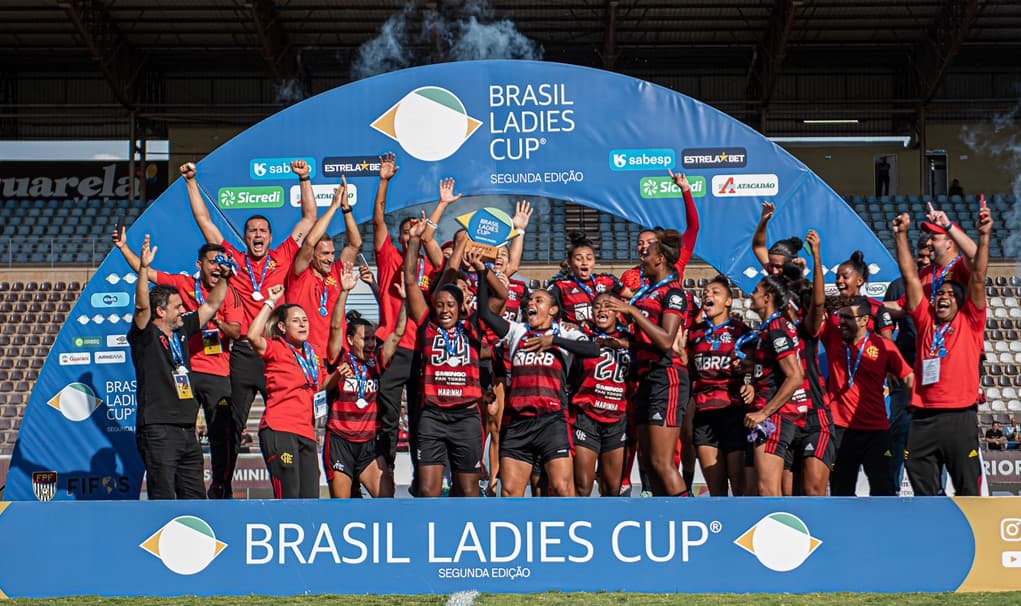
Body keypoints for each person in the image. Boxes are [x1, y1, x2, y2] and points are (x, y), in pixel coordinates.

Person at [184, 160, 317, 498]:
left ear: (270, 237)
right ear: (245, 237)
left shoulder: (283, 255)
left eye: (262, 231)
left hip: (275, 351)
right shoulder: (232, 259)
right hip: (244, 352)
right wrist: (191, 183)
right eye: (252, 231)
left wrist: (304, 178)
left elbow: (308, 219)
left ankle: (289, 488)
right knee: (231, 423)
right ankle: (222, 486)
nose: (257, 235)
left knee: (288, 420)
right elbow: (204, 221)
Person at [113, 227, 244, 498]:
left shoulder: (183, 329)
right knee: (163, 497)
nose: (183, 310)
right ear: (161, 311)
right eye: (177, 307)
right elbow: (142, 307)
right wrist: (143, 269)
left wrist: (225, 278)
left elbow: (211, 305)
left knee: (195, 499)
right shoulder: (146, 335)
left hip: (187, 431)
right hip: (158, 430)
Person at [892, 202, 991, 496]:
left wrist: (984, 235)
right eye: (940, 294)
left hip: (960, 415)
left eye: (950, 293)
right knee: (924, 495)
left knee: (968, 492)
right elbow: (909, 278)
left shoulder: (970, 320)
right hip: (923, 416)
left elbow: (978, 273)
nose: (943, 297)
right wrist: (900, 235)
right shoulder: (925, 319)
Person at [476, 267, 600, 497]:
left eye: (538, 300)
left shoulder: (564, 333)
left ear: (552, 310)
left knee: (563, 488)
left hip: (551, 421)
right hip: (518, 421)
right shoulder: (517, 330)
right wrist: (482, 272)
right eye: (530, 300)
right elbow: (484, 313)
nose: (530, 303)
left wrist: (553, 341)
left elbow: (593, 349)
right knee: (510, 492)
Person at [405, 221, 496, 497]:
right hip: (433, 416)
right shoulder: (427, 325)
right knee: (428, 490)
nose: (445, 310)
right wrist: (414, 242)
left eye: (450, 305)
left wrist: (481, 270)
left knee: (468, 491)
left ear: (461, 307)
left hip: (466, 417)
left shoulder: (473, 326)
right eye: (440, 305)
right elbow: (410, 280)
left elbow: (497, 299)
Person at [372, 157, 447, 473]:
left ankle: (423, 476)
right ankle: (384, 472)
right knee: (387, 416)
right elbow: (378, 221)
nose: (410, 235)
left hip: (423, 350)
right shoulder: (389, 258)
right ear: (399, 238)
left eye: (414, 231)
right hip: (393, 348)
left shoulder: (431, 267)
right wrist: (384, 181)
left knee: (421, 417)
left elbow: (444, 262)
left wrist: (434, 216)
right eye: (405, 232)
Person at [603, 229, 690, 497]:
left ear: (660, 258)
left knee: (663, 463)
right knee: (649, 464)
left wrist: (631, 310)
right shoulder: (646, 292)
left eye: (648, 252)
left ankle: (686, 515)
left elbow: (665, 340)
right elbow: (644, 339)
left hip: (666, 376)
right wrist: (620, 343)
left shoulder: (673, 292)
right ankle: (665, 517)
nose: (643, 256)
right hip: (644, 378)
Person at [822, 296, 913, 496]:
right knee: (841, 490)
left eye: (848, 318)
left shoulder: (883, 346)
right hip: (842, 428)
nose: (842, 322)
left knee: (884, 490)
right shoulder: (833, 337)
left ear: (864, 320)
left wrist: (916, 408)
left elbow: (908, 376)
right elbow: (815, 307)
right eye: (840, 316)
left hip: (876, 430)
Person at [322, 267, 400, 499]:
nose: (371, 343)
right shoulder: (339, 357)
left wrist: (404, 302)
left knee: (386, 501)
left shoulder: (377, 361)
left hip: (368, 445)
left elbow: (396, 334)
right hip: (340, 441)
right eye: (365, 339)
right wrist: (344, 292)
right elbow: (335, 327)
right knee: (343, 507)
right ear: (349, 339)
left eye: (373, 338)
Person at [246, 284, 327, 499]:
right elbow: (252, 336)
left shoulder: (314, 353)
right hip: (280, 429)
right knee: (289, 493)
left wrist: (340, 374)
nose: (302, 324)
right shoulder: (276, 347)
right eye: (296, 320)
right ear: (282, 327)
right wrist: (270, 302)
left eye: (305, 320)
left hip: (306, 433)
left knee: (310, 497)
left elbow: (322, 385)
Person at [741, 275, 810, 497]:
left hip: (774, 418)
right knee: (758, 490)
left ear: (767, 297)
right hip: (771, 416)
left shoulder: (776, 328)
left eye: (756, 291)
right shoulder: (769, 328)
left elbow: (795, 376)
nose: (751, 294)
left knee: (767, 490)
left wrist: (764, 413)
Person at [285, 176, 362, 357]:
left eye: (332, 253)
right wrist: (333, 206)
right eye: (325, 254)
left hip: (336, 355)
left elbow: (355, 244)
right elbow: (310, 242)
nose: (330, 259)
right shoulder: (299, 274)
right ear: (312, 255)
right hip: (306, 356)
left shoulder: (336, 273)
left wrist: (345, 208)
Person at [687, 275, 748, 496]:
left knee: (739, 488)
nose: (708, 295)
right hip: (704, 413)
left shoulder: (741, 332)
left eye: (715, 292)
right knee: (716, 490)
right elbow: (689, 370)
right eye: (705, 293)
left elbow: (754, 366)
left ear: (729, 301)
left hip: (733, 412)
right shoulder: (694, 333)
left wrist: (748, 380)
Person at [570, 292, 633, 497]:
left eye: (607, 306)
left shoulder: (629, 339)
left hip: (617, 418)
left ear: (617, 312)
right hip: (586, 417)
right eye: (597, 306)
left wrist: (622, 344)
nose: (601, 310)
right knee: (583, 486)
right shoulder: (582, 337)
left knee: (612, 488)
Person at [883, 234, 931, 492]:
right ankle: (891, 492)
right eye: (920, 256)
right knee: (899, 433)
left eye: (928, 256)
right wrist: (892, 363)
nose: (923, 260)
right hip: (905, 371)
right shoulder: (898, 286)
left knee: (933, 436)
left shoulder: (943, 285)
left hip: (936, 374)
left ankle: (934, 494)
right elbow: (884, 324)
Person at [621, 171, 700, 288]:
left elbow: (693, 228)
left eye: (650, 242)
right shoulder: (629, 276)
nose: (644, 246)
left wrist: (685, 190)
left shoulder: (675, 265)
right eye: (640, 243)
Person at [550, 232, 624, 324]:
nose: (584, 263)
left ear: (594, 261)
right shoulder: (560, 287)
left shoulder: (607, 280)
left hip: (606, 332)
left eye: (589, 259)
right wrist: (564, 325)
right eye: (578, 259)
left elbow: (633, 298)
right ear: (569, 263)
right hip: (578, 332)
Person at [751, 202, 805, 277]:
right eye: (771, 265)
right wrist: (764, 220)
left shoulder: (799, 282)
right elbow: (758, 246)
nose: (774, 271)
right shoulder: (772, 270)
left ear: (792, 264)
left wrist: (800, 272)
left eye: (778, 267)